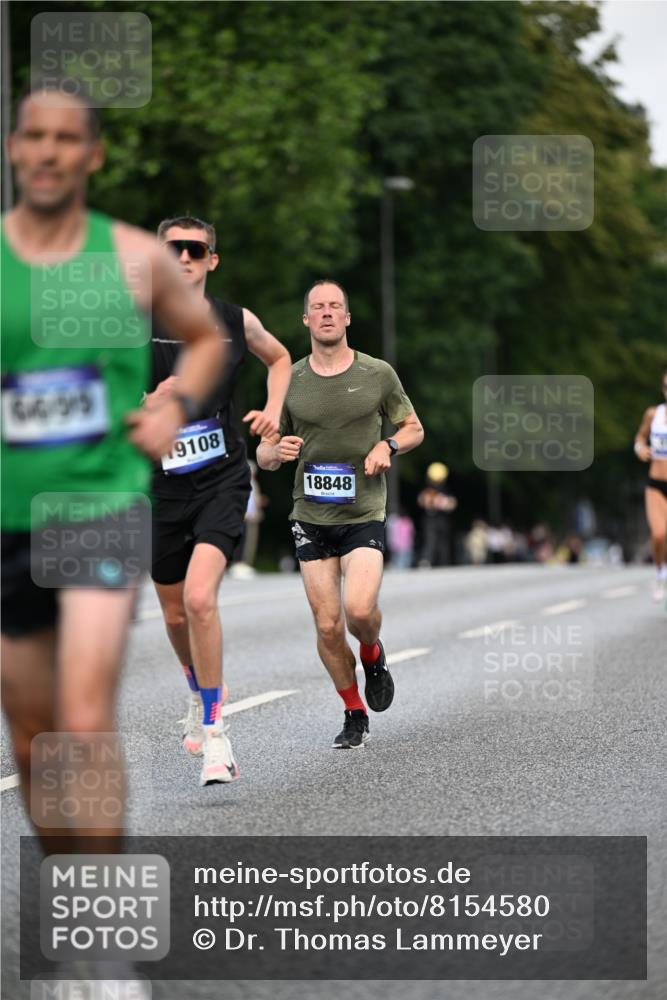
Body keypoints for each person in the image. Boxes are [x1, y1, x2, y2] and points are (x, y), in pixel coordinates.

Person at [1, 87, 225, 856]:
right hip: (10, 518)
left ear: (92, 155)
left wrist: (173, 406)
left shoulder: (133, 256)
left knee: (87, 716)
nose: (50, 151)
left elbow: (206, 340)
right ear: (15, 148)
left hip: (98, 507)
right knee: (34, 739)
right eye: (35, 136)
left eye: (68, 138)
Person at [147, 215, 291, 784]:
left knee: (202, 600)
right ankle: (195, 686)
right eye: (173, 249)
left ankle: (216, 735)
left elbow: (279, 358)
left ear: (211, 260)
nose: (183, 256)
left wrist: (275, 410)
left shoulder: (236, 321)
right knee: (175, 609)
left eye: (195, 248)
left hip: (223, 477)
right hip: (160, 484)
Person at [256, 279, 424, 748]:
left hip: (364, 511)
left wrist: (387, 444)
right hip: (310, 516)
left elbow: (413, 429)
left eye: (335, 307)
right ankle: (353, 711)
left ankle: (372, 653)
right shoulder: (288, 378)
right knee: (328, 625)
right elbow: (264, 452)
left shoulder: (378, 374)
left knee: (358, 610)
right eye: (318, 308)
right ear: (306, 320)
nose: (327, 313)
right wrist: (276, 450)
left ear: (347, 318)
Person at [634, 369, 667, 601]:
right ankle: (659, 573)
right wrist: (640, 449)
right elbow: (639, 438)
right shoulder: (653, 413)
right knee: (658, 535)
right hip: (655, 483)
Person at [417, 462, 457, 566]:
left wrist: (445, 503)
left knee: (443, 541)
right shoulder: (427, 489)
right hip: (430, 518)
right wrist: (431, 502)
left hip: (443, 519)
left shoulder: (446, 489)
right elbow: (421, 500)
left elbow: (452, 503)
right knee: (430, 539)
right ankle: (427, 560)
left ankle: (444, 562)